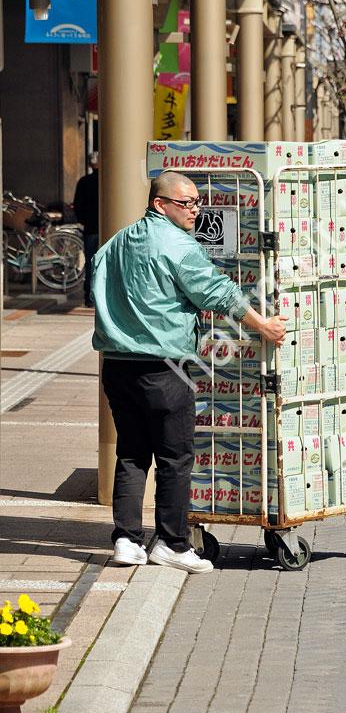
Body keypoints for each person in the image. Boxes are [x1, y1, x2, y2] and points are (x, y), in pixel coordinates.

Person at [92, 171, 287, 574]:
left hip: (116, 365)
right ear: (160, 204)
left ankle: (127, 540)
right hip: (164, 368)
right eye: (186, 203)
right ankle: (173, 543)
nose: (196, 210)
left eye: (198, 202)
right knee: (175, 457)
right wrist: (263, 325)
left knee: (131, 452)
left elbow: (93, 278)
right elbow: (216, 291)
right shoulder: (177, 244)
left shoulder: (117, 242)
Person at [73, 152, 99, 307]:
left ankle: (89, 296)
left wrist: (83, 220)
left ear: (90, 165)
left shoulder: (84, 182)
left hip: (90, 228)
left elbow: (77, 205)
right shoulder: (109, 180)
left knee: (90, 263)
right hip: (107, 227)